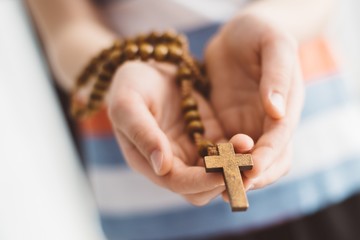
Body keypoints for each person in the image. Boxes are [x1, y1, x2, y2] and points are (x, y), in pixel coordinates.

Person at [26, 0, 360, 239]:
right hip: (148, 205)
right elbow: (66, 29)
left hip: (325, 163)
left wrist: (271, 23)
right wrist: (122, 69)